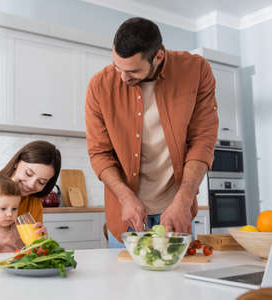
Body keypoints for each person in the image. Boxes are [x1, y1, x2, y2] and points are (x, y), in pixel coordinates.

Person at [85, 17, 218, 247]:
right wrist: (126, 198)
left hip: (178, 210)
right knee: (126, 282)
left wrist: (184, 201)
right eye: (117, 67)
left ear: (158, 56)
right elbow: (99, 153)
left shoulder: (196, 71)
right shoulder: (99, 86)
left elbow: (203, 141)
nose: (123, 78)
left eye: (133, 71)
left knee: (180, 281)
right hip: (128, 216)